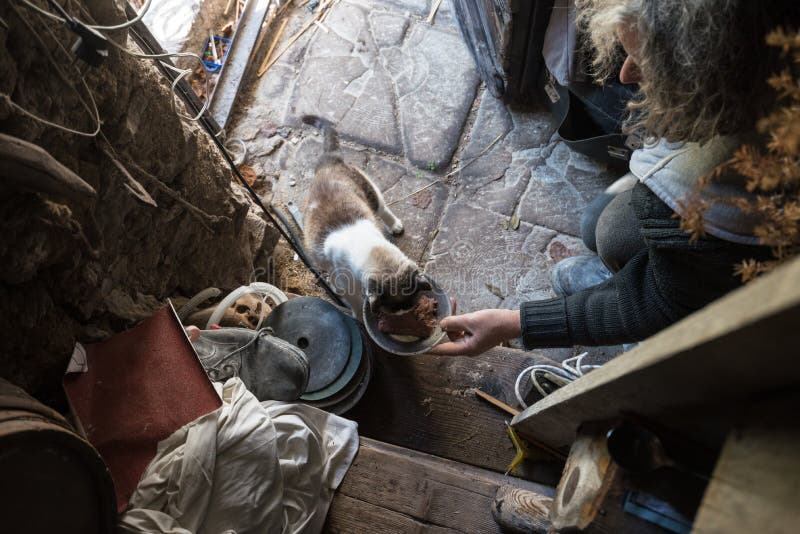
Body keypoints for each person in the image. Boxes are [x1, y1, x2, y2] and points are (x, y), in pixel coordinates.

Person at [432, 0, 799, 357]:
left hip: (739, 281)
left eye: (651, 61)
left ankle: (656, 331)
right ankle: (648, 271)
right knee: (601, 224)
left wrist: (517, 324)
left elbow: (662, 303)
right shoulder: (768, 82)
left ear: (719, 76)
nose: (625, 75)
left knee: (617, 236)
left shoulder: (718, 191)